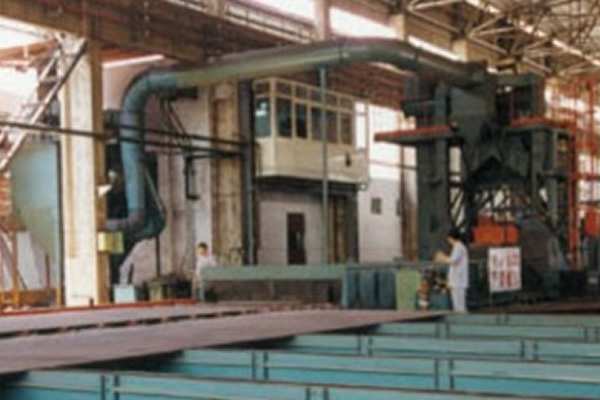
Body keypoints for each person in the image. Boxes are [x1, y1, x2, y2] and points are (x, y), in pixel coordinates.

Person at [435, 229, 469, 313]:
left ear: (451, 238)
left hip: (458, 280)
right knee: (457, 303)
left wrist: (442, 257)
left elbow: (453, 260)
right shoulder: (458, 247)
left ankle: (461, 318)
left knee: (459, 304)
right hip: (456, 280)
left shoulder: (458, 247)